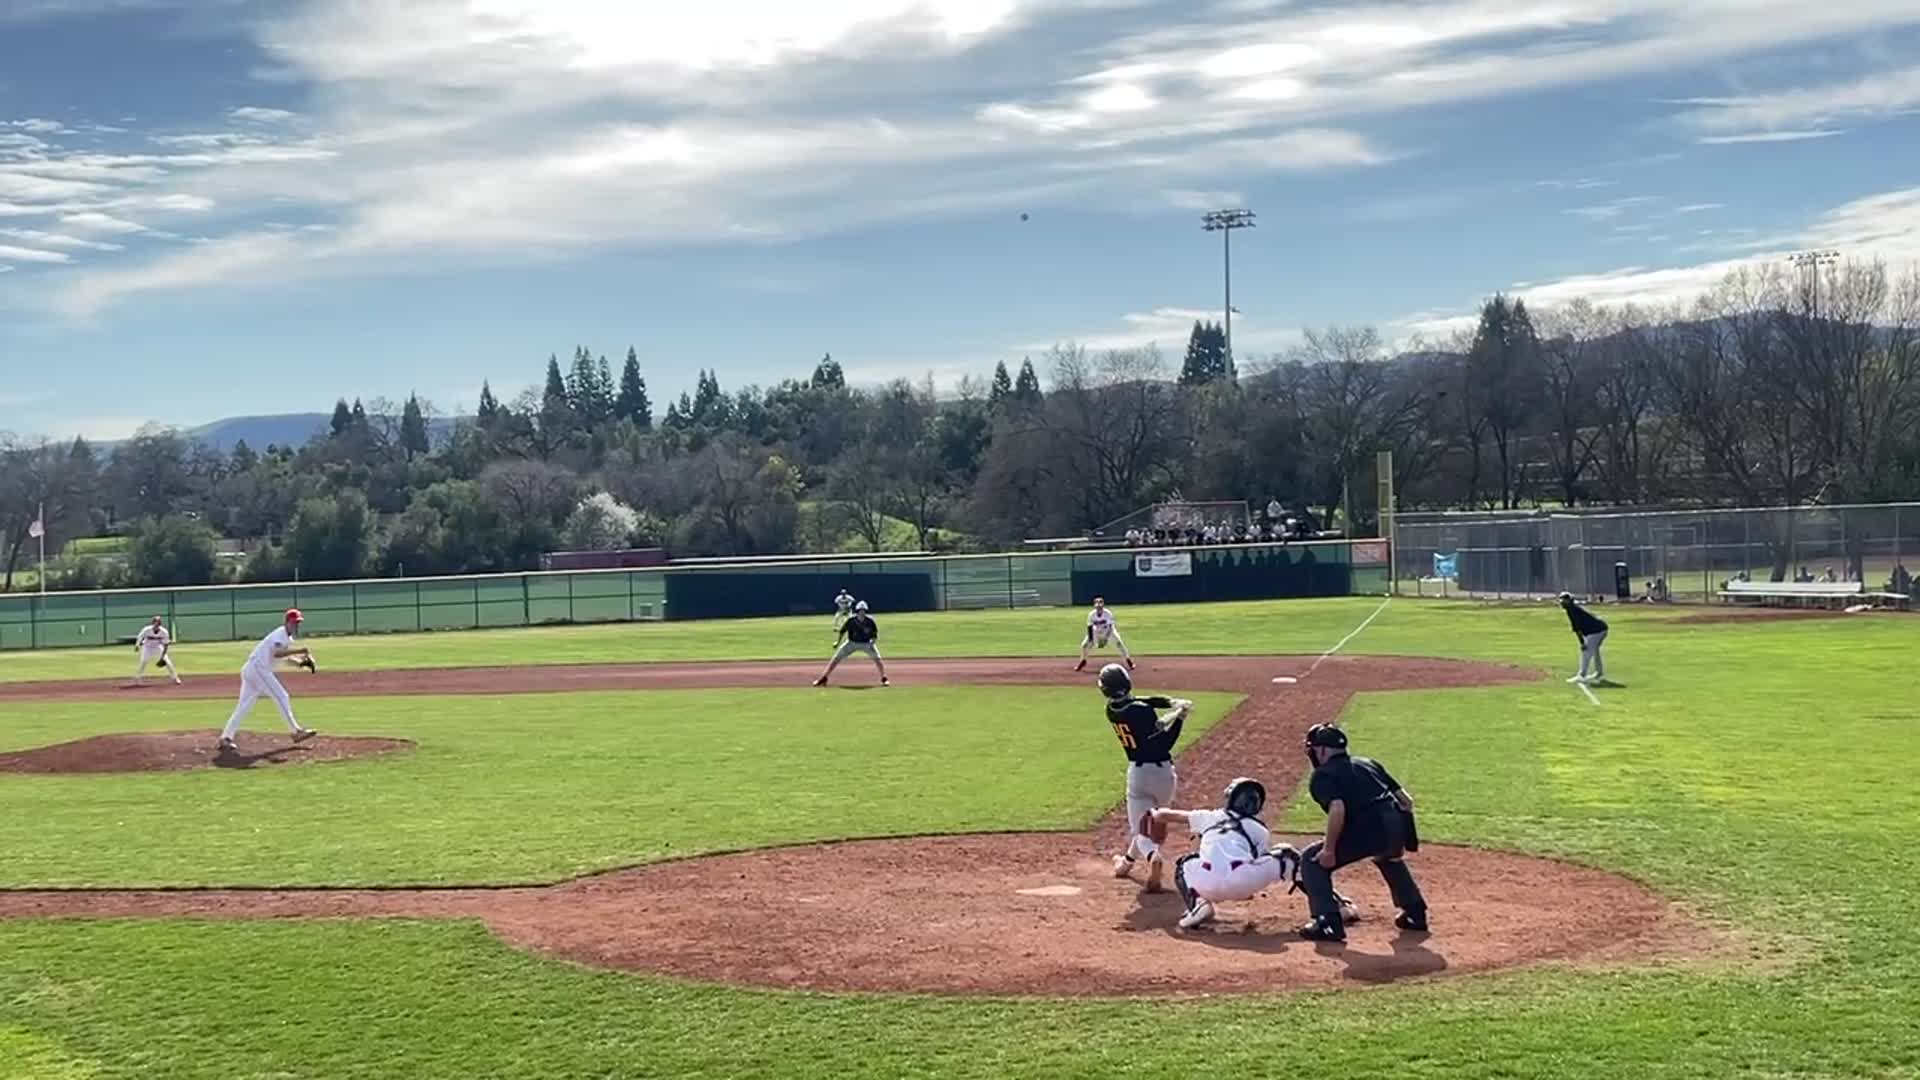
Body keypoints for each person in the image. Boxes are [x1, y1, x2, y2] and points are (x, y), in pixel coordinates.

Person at [1296, 723, 1427, 942]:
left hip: (1369, 829)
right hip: (1395, 825)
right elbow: (1406, 801)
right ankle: (1415, 913)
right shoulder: (1368, 763)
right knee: (1388, 857)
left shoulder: (1323, 775)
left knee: (1311, 859)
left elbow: (1338, 808)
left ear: (1322, 750)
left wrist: (1329, 850)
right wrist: (1402, 837)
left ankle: (1328, 923)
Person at [1150, 777, 1300, 930]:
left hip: (1207, 883)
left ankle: (1197, 905)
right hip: (1244, 881)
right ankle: (1315, 909)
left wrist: (1153, 814)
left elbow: (1163, 815)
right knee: (1286, 855)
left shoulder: (1209, 817)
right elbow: (1259, 860)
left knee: (1185, 864)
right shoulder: (1260, 830)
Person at [1098, 662, 1187, 892]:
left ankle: (1151, 856)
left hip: (1139, 775)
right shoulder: (1143, 711)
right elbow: (1165, 743)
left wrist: (1171, 703)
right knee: (1152, 825)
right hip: (1165, 776)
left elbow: (1144, 701)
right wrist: (1179, 719)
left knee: (1140, 829)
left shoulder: (1112, 711)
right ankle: (1128, 864)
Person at [219, 608, 318, 753]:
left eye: (297, 623)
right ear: (286, 622)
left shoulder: (286, 638)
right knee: (282, 696)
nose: (295, 625)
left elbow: (283, 657)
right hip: (258, 670)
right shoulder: (280, 634)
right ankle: (296, 731)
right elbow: (277, 653)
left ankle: (226, 737)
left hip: (252, 670)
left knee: (244, 706)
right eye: (293, 622)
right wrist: (301, 651)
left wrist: (301, 663)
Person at [814, 600, 888, 686]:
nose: (862, 613)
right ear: (857, 611)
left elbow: (875, 634)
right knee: (836, 658)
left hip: (866, 643)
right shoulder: (851, 620)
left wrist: (873, 642)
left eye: (863, 611)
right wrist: (837, 642)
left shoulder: (870, 621)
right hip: (852, 643)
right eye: (860, 611)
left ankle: (884, 678)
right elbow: (842, 631)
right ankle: (824, 677)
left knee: (878, 659)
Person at [1558, 591, 1610, 684]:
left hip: (1596, 631)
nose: (1562, 603)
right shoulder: (1572, 608)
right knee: (1595, 651)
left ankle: (1581, 675)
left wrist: (1582, 643)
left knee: (1586, 652)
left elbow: (1577, 629)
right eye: (1561, 601)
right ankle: (1599, 673)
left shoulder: (1572, 610)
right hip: (1600, 629)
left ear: (1569, 601)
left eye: (1564, 601)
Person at [1074, 596, 1135, 672]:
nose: (1098, 607)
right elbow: (1089, 628)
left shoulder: (1107, 613)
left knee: (1119, 644)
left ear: (1103, 605)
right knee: (1084, 645)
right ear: (1095, 606)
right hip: (1096, 632)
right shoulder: (1091, 615)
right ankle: (1083, 661)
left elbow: (1110, 627)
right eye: (1097, 605)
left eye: (1100, 605)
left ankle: (1129, 661)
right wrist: (1091, 640)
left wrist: (1105, 639)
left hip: (1109, 631)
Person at [133, 615, 182, 686]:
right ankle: (138, 678)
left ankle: (175, 678)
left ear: (160, 624)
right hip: (147, 647)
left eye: (158, 623)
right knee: (143, 661)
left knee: (168, 662)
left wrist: (162, 656)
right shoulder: (146, 629)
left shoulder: (164, 632)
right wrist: (137, 645)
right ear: (152, 623)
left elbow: (166, 644)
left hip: (158, 647)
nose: (157, 624)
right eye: (155, 622)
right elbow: (140, 636)